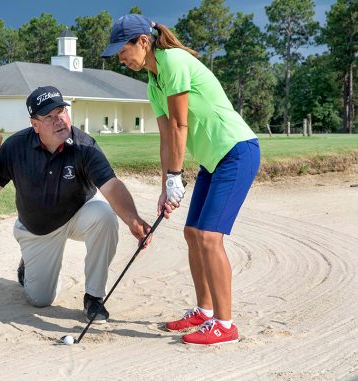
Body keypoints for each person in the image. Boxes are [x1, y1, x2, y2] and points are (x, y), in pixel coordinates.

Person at [102, 14, 260, 345]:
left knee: (208, 237)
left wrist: (176, 175)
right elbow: (165, 138)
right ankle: (203, 312)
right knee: (191, 233)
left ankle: (225, 323)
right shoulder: (152, 82)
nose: (120, 57)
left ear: (143, 42)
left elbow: (179, 126)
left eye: (123, 50)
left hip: (236, 152)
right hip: (213, 161)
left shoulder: (172, 61)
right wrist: (165, 188)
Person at [0, 85, 151, 323]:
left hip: (78, 215)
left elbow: (111, 185)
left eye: (61, 112)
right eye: (49, 117)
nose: (58, 120)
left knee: (105, 215)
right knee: (41, 300)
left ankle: (94, 297)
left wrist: (133, 220)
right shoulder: (16, 147)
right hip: (38, 229)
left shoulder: (84, 146)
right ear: (35, 124)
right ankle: (28, 266)